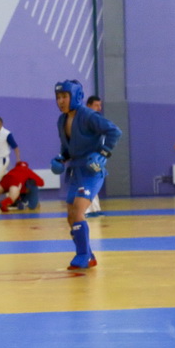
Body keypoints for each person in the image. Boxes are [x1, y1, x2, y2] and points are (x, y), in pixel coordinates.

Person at [50, 80, 122, 270]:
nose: (60, 101)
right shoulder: (61, 120)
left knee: (78, 211)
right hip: (76, 171)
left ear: (76, 96)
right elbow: (67, 148)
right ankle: (88, 255)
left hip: (92, 171)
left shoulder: (88, 115)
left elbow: (114, 131)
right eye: (58, 97)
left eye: (64, 96)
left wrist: (103, 154)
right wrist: (61, 158)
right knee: (70, 216)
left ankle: (82, 255)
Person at [84, 95, 104, 217]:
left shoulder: (97, 121)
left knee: (94, 180)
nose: (99, 108)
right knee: (84, 182)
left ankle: (95, 209)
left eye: (100, 105)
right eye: (96, 105)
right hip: (84, 156)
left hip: (95, 156)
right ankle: (85, 210)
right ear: (88, 106)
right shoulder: (82, 120)